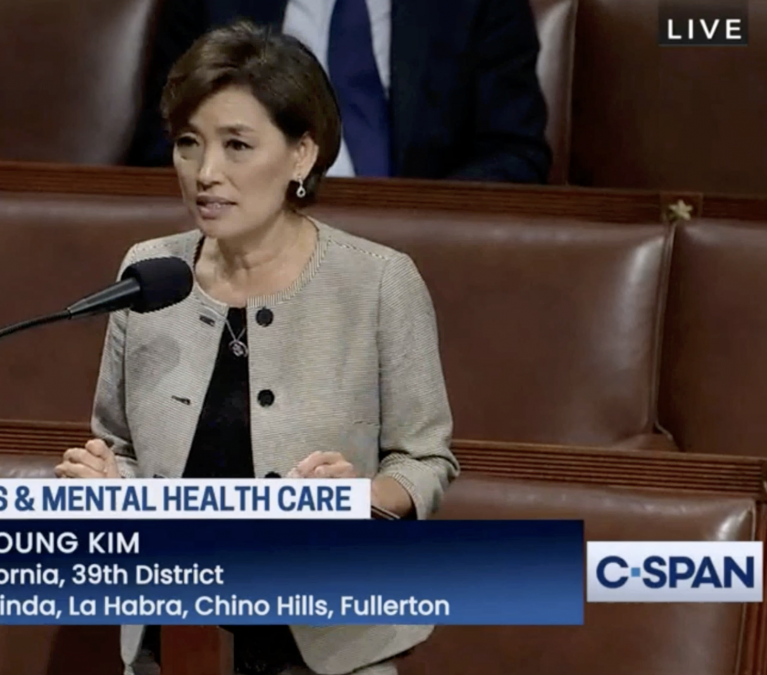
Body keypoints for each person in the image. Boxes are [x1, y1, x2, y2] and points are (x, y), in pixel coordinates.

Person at [57, 21, 460, 675]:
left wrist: (360, 497)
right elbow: (121, 446)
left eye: (237, 145)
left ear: (302, 155)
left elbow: (425, 459)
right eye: (188, 144)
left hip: (330, 649)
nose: (206, 173)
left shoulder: (380, 282)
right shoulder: (148, 272)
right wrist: (105, 486)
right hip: (170, 642)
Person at [126, 0, 551, 183]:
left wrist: (418, 224)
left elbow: (515, 152)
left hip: (419, 254)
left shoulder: (475, 6)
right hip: (252, 237)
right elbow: (166, 142)